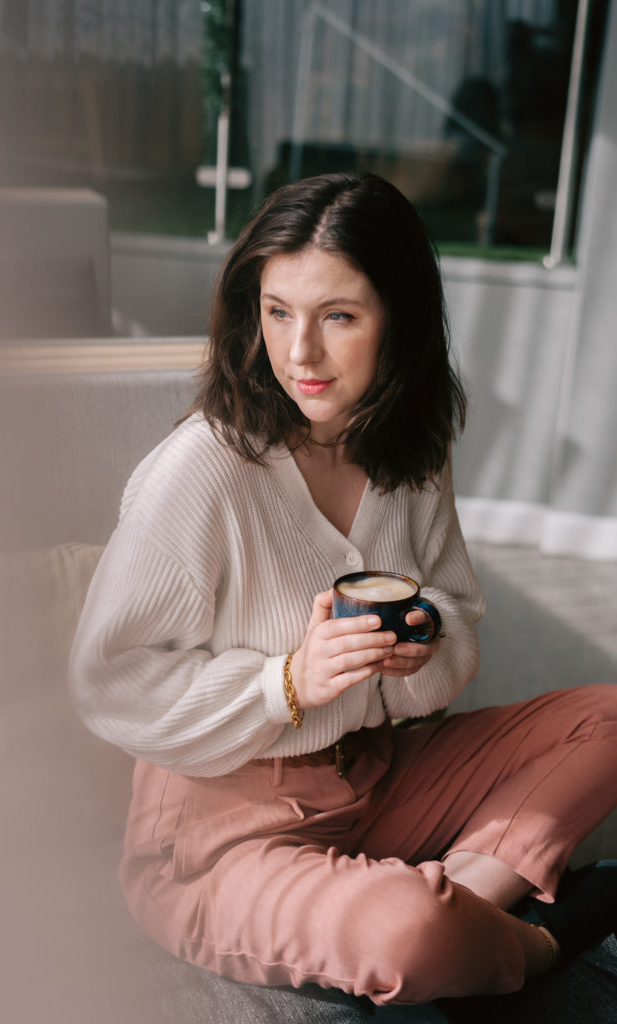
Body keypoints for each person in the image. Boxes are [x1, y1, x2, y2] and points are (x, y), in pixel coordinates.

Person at [69, 172, 617, 1010]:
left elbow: (459, 620)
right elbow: (105, 680)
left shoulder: (412, 453)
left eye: (339, 318)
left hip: (377, 776)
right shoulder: (203, 472)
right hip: (218, 832)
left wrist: (421, 651)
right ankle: (530, 941)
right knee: (408, 935)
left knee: (606, 718)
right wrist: (286, 682)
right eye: (278, 310)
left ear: (396, 319)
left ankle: (448, 898)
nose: (300, 354)